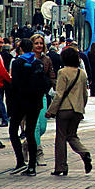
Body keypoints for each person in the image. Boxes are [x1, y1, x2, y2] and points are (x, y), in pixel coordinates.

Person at [46, 46, 92, 176]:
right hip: (77, 110)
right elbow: (85, 94)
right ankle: (84, 152)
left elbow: (59, 94)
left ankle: (61, 167)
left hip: (64, 109)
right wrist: (81, 108)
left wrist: (51, 110)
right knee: (72, 135)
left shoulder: (63, 72)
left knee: (60, 137)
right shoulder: (81, 73)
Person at [8, 38, 48, 176]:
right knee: (31, 133)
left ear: (20, 49)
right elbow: (44, 83)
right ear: (31, 48)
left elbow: (14, 85)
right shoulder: (38, 63)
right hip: (35, 103)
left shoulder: (17, 62)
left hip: (20, 103)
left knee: (13, 131)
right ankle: (32, 167)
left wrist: (10, 105)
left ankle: (20, 161)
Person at [29, 34, 56, 166]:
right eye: (36, 43)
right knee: (35, 126)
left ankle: (27, 144)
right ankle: (38, 153)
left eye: (41, 43)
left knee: (43, 127)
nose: (39, 45)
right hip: (29, 96)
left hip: (43, 95)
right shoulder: (27, 59)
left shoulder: (47, 59)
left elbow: (52, 76)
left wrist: (51, 86)